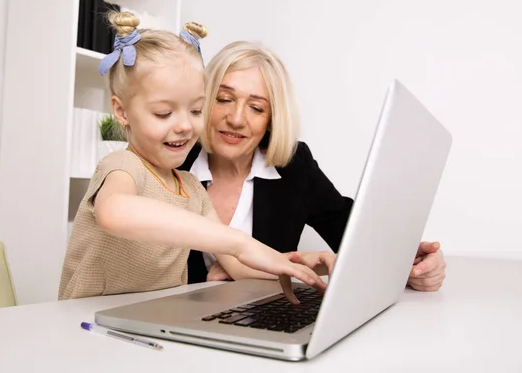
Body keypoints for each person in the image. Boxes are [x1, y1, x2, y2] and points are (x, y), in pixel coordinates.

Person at [58, 12, 329, 302]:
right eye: (164, 113)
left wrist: (299, 264)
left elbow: (238, 265)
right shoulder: (122, 167)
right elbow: (115, 211)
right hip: (87, 325)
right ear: (122, 112)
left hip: (145, 324)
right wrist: (238, 242)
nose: (185, 126)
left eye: (197, 111)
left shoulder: (192, 189)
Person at [179, 41, 447, 292]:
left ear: (272, 119)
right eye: (224, 99)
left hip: (266, 320)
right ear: (202, 100)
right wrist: (204, 284)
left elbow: (348, 229)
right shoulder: (175, 163)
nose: (237, 119)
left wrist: (409, 262)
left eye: (257, 108)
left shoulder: (293, 166)